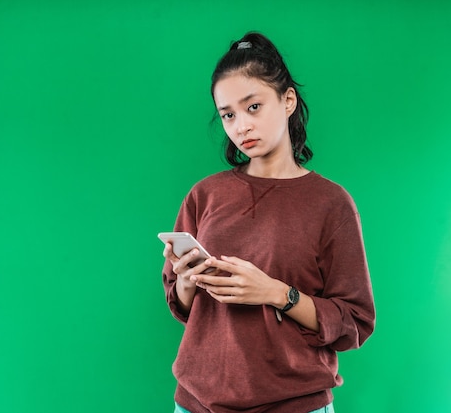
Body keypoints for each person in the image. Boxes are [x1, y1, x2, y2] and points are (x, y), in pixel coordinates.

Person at [161, 32, 375, 413]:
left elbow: (354, 322)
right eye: (228, 114)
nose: (241, 125)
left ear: (288, 100)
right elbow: (180, 306)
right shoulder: (204, 195)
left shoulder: (331, 204)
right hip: (196, 404)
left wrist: (278, 293)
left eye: (253, 107)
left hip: (294, 405)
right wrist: (187, 282)